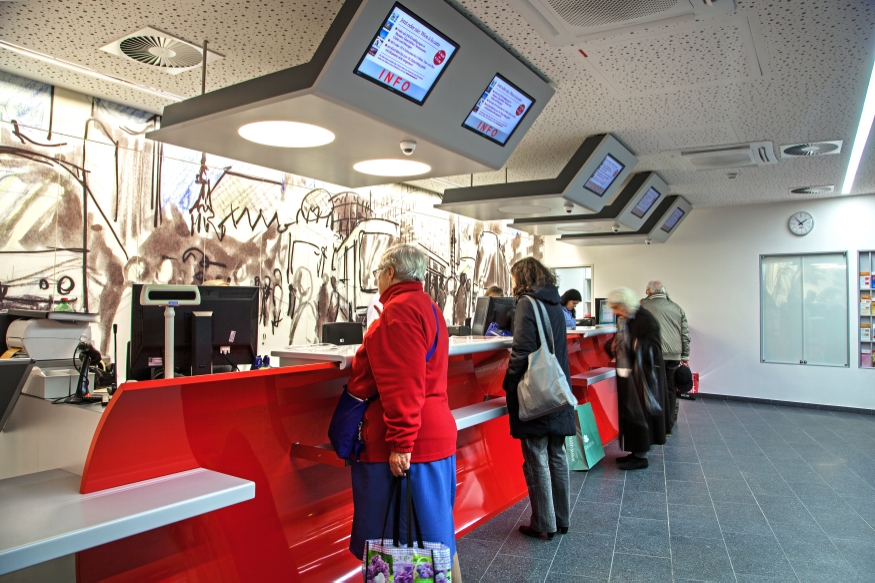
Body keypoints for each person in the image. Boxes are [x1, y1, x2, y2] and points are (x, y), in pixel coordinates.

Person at [346, 244, 461, 580]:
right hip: (435, 437)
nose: (377, 280)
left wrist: (401, 444)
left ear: (390, 273)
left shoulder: (397, 312)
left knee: (403, 549)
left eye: (377, 273)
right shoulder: (428, 306)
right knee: (437, 542)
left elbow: (402, 385)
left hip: (412, 445)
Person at [503, 257, 574, 540]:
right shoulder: (555, 303)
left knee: (536, 456)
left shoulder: (526, 304)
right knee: (557, 453)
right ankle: (562, 518)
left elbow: (522, 350)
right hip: (557, 387)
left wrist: (509, 384)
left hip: (536, 390)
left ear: (521, 277)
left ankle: (543, 523)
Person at [605, 287, 667, 470]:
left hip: (643, 377)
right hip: (628, 373)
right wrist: (614, 345)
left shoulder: (645, 320)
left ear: (625, 304)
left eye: (617, 307)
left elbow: (654, 349)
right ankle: (634, 450)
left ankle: (641, 456)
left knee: (639, 413)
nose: (615, 311)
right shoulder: (626, 319)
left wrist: (634, 344)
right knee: (630, 413)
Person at [641, 281, 690, 433]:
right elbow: (685, 334)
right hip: (673, 356)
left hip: (651, 355)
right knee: (670, 390)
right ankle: (667, 426)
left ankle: (653, 426)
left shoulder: (642, 306)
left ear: (649, 291)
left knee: (651, 389)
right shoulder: (677, 308)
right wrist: (685, 355)